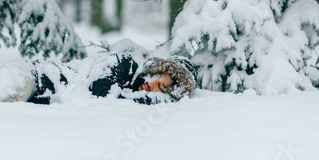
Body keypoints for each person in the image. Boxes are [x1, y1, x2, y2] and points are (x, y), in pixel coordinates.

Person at [10, 53, 197, 105]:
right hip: (33, 76)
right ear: (155, 69)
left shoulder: (132, 90)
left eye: (162, 89)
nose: (153, 87)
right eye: (158, 79)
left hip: (35, 95)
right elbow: (100, 91)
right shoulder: (124, 63)